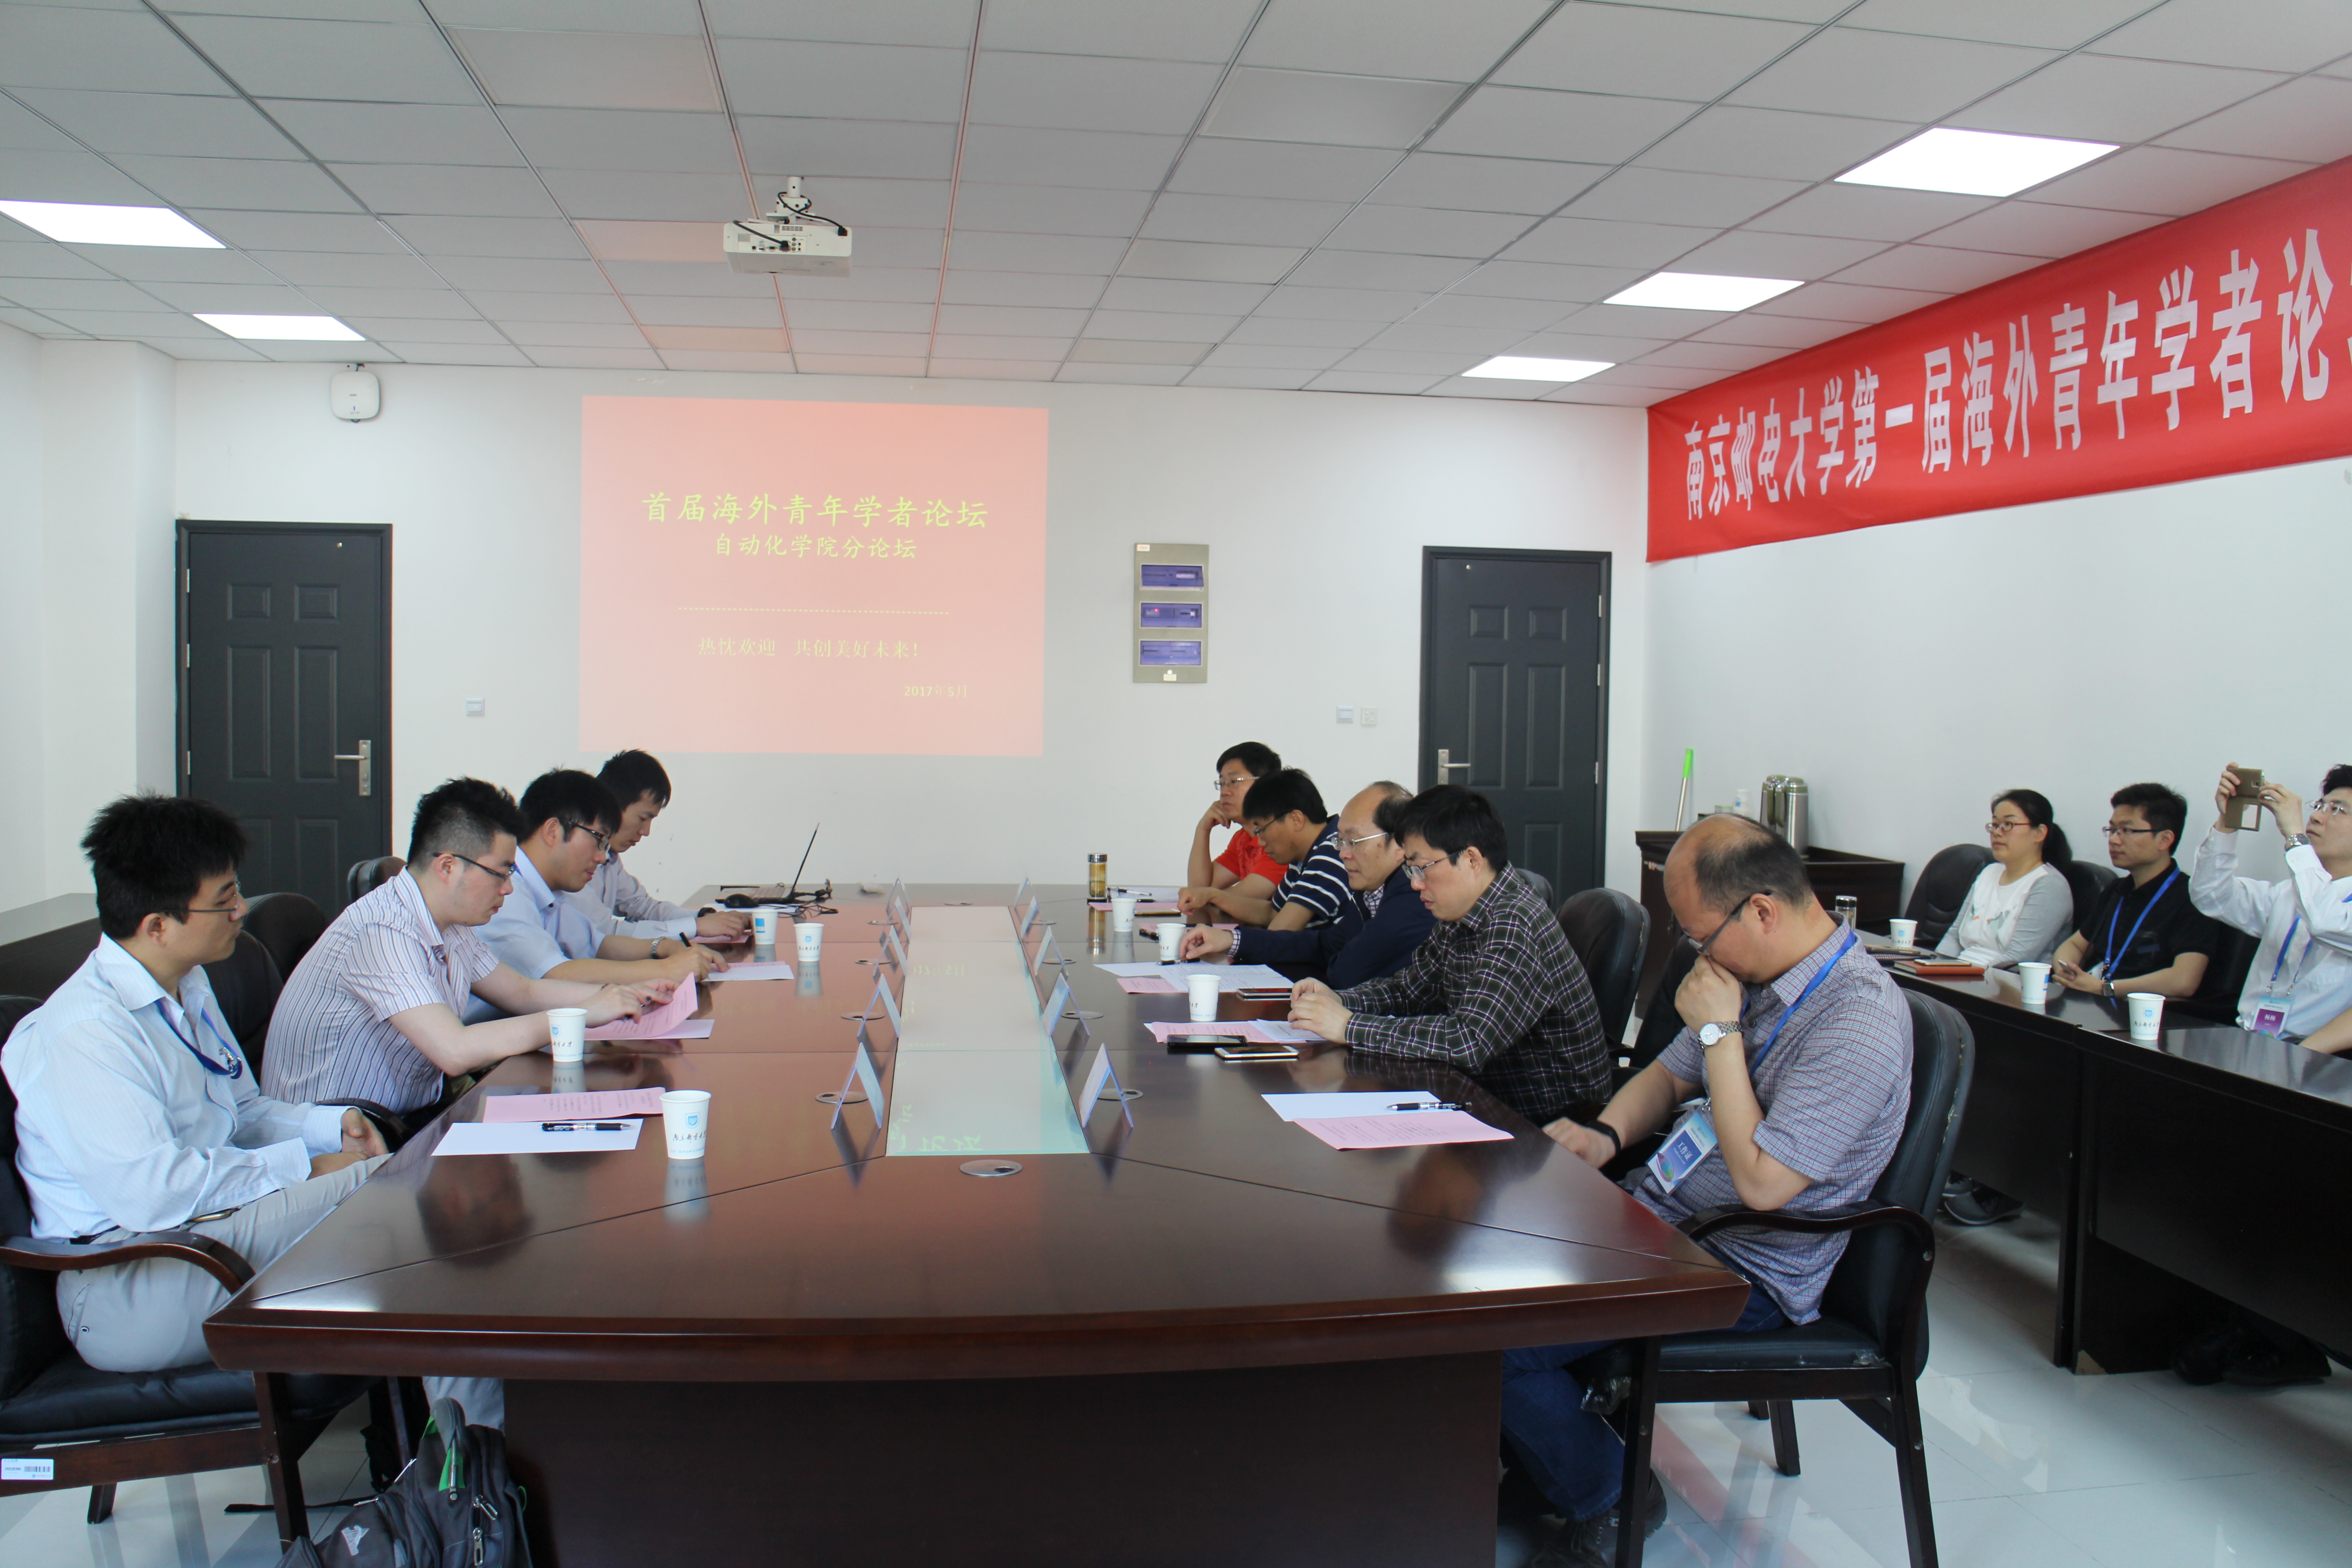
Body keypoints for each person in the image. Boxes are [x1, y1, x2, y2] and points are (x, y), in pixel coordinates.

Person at [4, 795, 495, 1423]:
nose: (241, 911)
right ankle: (471, 1456)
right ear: (157, 925)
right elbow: (155, 1194)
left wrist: (332, 1126)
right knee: (413, 1194)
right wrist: (305, 1168)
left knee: (418, 1203)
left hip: (209, 1236)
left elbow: (241, 1111)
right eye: (224, 900)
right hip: (133, 1282)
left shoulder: (187, 984)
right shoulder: (86, 1033)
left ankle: (469, 1448)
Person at [1507, 814, 1912, 1566]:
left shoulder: (1856, 1020)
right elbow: (1667, 1075)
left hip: (1739, 1264)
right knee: (1483, 1265)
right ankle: (1541, 1459)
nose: (1697, 955)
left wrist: (1722, 1036)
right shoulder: (1758, 977)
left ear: (1761, 910)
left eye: (1701, 936)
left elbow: (1763, 1185)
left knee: (1495, 1336)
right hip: (1662, 1221)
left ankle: (1611, 1495)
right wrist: (1605, 1136)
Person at [265, 777, 667, 1119]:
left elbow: (522, 991)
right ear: (448, 866)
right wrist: (580, 1015)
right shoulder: (383, 930)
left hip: (408, 1114)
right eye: (500, 873)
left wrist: (617, 996)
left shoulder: (450, 923)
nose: (508, 889)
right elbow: (454, 1050)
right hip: (342, 1136)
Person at [1287, 784, 1610, 1124]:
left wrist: (1349, 1026)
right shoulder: (1463, 911)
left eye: (1422, 868)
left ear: (1471, 860)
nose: (1415, 884)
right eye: (1411, 870)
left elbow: (1468, 1041)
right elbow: (1410, 990)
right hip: (1485, 1096)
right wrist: (1340, 1000)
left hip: (1551, 1126)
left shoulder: (1514, 922)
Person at [473, 769, 725, 1012]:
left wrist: (663, 947)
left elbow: (599, 944)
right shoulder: (507, 892)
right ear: (553, 831)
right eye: (598, 840)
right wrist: (667, 970)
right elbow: (555, 974)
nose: (603, 857)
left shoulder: (549, 893)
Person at [1179, 781, 1436, 986]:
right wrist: (1231, 940)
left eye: (1353, 842)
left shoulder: (1412, 897)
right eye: (1340, 841)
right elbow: (1323, 944)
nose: (1343, 853)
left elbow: (1344, 974)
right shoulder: (1370, 890)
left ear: (1400, 844)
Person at [2189, 763, 2352, 1041]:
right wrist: (2228, 822)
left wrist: (2295, 837)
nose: (2316, 817)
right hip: (2250, 1038)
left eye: (2337, 810)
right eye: (2319, 806)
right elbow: (2211, 895)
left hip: (2312, 1056)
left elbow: (2324, 922)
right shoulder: (2288, 893)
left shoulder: (2320, 903)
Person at [2052, 783, 2216, 1001]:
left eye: (2127, 831)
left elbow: (2183, 981)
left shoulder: (2192, 898)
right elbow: (2075, 945)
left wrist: (2105, 988)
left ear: (2165, 839)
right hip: (2098, 1002)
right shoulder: (2117, 891)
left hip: (2146, 1013)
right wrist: (2067, 970)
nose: (2114, 840)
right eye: (2112, 830)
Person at [569, 750, 750, 944]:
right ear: (611, 807)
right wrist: (696, 927)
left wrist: (704, 917)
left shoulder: (609, 857)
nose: (646, 831)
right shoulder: (575, 860)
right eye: (643, 818)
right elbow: (605, 933)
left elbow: (642, 907)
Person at [1185, 768, 1352, 931]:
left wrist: (1230, 941)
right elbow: (1272, 913)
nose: (1261, 843)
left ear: (1296, 820)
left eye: (1261, 830)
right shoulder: (1304, 855)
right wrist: (1213, 895)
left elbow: (1279, 933)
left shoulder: (1331, 854)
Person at [1930, 789, 2074, 968]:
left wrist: (1962, 976)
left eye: (2008, 825)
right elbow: (1954, 936)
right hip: (1961, 973)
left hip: (2002, 980)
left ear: (2039, 833)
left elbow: (2017, 958)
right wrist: (1936, 967)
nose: (1997, 833)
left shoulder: (2049, 885)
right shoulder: (1989, 872)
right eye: (1995, 825)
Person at [1178, 742, 1286, 922]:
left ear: (1266, 784)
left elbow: (1236, 900)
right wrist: (1203, 829)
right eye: (1222, 783)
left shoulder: (1281, 838)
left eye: (1234, 782)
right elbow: (1199, 889)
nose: (1225, 792)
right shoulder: (1243, 839)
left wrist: (1204, 896)